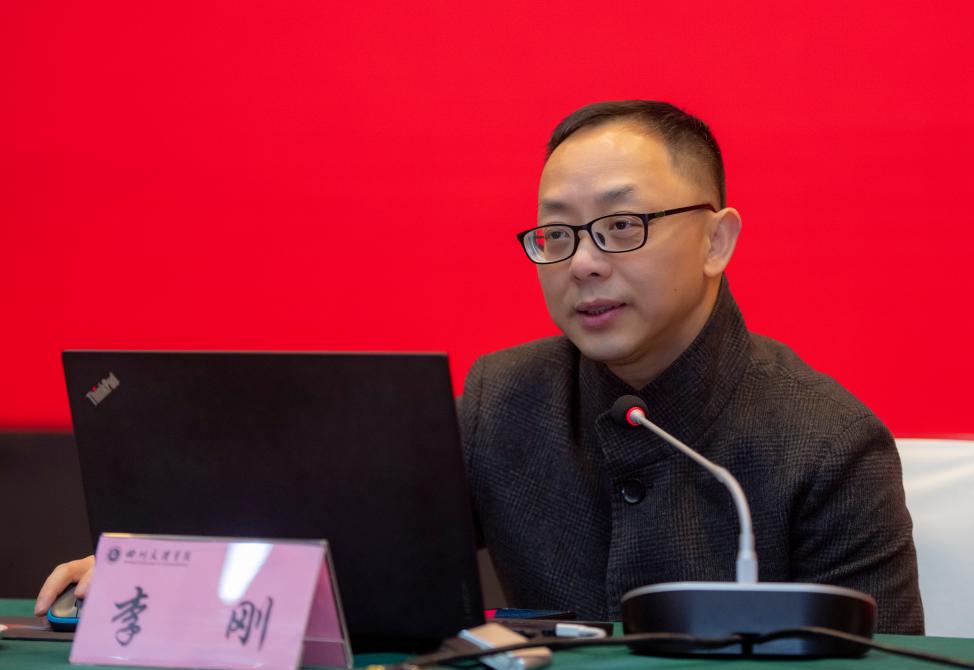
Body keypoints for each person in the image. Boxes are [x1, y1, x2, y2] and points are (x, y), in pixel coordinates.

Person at [36, 100, 924, 634]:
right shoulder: (505, 398)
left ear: (717, 240)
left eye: (621, 226)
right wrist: (158, 570)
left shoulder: (827, 442)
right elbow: (343, 556)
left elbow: (890, 669)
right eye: (556, 234)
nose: (583, 263)